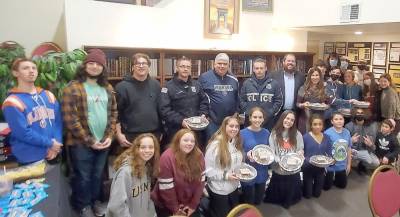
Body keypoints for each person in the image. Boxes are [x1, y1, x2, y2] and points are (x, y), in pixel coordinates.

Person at [62, 49, 118, 217]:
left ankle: (95, 202)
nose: (94, 67)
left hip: (103, 141)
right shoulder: (72, 88)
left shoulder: (107, 88)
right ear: (84, 65)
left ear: (103, 68)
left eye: (98, 64)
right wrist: (90, 140)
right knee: (83, 176)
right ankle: (83, 206)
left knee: (97, 176)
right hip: (81, 144)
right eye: (91, 63)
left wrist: (109, 136)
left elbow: (114, 113)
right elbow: (70, 119)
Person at [2, 58, 62, 164]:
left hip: (53, 153)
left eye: (34, 68)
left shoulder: (49, 95)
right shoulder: (12, 102)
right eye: (25, 68)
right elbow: (23, 133)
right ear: (15, 73)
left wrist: (56, 143)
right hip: (29, 157)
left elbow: (58, 122)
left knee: (55, 180)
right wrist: (50, 143)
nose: (31, 71)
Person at [151, 129, 205, 217]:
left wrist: (193, 205)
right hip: (167, 205)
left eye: (192, 141)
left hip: (189, 203)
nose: (189, 143)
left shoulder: (199, 155)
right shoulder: (167, 157)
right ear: (178, 141)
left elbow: (201, 182)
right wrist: (176, 210)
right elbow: (167, 188)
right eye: (185, 140)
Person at [115, 53, 162, 150]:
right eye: (138, 64)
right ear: (133, 67)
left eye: (144, 63)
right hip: (130, 137)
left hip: (153, 134)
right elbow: (116, 114)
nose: (141, 66)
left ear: (148, 66)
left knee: (152, 165)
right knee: (132, 165)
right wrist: (118, 134)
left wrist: (161, 132)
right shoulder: (121, 87)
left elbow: (160, 110)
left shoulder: (156, 85)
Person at [159, 56, 209, 146]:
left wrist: (203, 114)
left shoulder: (197, 84)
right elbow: (164, 110)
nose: (185, 69)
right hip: (176, 130)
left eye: (188, 67)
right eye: (182, 66)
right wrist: (181, 121)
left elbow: (204, 101)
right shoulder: (168, 87)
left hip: (196, 130)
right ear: (177, 68)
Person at [106, 133, 160, 217]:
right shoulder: (125, 172)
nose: (147, 150)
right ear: (136, 149)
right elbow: (116, 206)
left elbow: (148, 200)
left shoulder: (146, 168)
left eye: (151, 147)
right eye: (143, 147)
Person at [264, 110, 304, 209]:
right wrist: (280, 162)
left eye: (292, 120)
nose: (289, 121)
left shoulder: (297, 134)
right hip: (279, 167)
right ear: (282, 119)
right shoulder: (273, 134)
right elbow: (272, 152)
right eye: (287, 118)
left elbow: (300, 149)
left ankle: (289, 200)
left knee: (292, 183)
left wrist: (300, 153)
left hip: (293, 168)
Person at [205, 116, 243, 217]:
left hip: (233, 187)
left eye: (237, 126)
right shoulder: (215, 145)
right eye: (231, 126)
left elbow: (236, 162)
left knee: (233, 213)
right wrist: (226, 176)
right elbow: (208, 171)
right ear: (224, 127)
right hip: (220, 190)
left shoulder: (236, 141)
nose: (234, 129)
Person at [199, 53, 239, 141]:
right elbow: (200, 98)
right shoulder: (204, 77)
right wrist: (204, 114)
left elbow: (237, 97)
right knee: (212, 147)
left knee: (228, 146)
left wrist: (236, 112)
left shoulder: (234, 79)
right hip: (212, 121)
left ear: (229, 65)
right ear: (214, 64)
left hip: (230, 122)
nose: (222, 66)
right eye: (219, 63)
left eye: (225, 64)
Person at [240, 58, 282, 130]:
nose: (259, 70)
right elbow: (241, 100)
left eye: (261, 68)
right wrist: (248, 112)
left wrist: (270, 113)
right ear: (253, 69)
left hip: (268, 122)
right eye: (257, 68)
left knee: (266, 140)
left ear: (265, 68)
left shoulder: (274, 84)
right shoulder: (247, 83)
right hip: (250, 121)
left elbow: (279, 101)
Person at [240, 107, 270, 205]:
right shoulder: (242, 133)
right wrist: (246, 155)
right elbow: (237, 152)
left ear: (263, 119)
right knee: (249, 201)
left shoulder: (266, 133)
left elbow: (269, 150)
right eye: (255, 117)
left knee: (258, 200)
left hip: (262, 170)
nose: (257, 120)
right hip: (248, 171)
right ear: (250, 118)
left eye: (260, 117)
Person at [302, 114, 332, 198]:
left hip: (320, 169)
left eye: (320, 124)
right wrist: (310, 160)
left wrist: (330, 161)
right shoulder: (305, 137)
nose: (317, 127)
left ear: (323, 125)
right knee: (308, 195)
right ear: (311, 125)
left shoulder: (327, 137)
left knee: (317, 194)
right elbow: (302, 154)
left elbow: (329, 153)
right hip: (308, 168)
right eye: (315, 124)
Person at [296, 67, 331, 134]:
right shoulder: (303, 88)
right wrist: (303, 104)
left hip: (319, 120)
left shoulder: (325, 88)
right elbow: (297, 104)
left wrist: (325, 105)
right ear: (309, 76)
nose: (315, 77)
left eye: (317, 75)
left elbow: (329, 104)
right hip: (305, 119)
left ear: (320, 76)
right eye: (313, 75)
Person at [345, 108, 379, 174]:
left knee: (376, 163)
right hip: (352, 152)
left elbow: (374, 148)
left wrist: (370, 145)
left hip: (365, 152)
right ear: (354, 113)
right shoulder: (348, 126)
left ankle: (362, 164)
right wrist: (350, 141)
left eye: (362, 113)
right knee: (345, 166)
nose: (359, 115)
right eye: (358, 113)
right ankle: (353, 164)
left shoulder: (371, 127)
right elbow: (344, 146)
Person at [324, 112, 352, 190]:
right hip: (330, 165)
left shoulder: (347, 132)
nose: (339, 121)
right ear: (332, 121)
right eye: (336, 119)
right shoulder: (327, 133)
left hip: (342, 165)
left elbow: (349, 148)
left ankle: (336, 177)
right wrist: (327, 162)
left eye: (341, 119)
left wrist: (349, 164)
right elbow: (324, 150)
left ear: (344, 120)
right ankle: (328, 176)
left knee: (342, 186)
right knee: (326, 187)